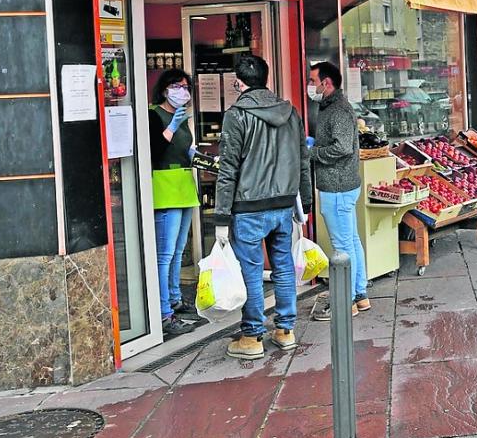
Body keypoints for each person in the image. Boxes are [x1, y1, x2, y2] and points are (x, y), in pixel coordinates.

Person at [214, 54, 312, 360]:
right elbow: (303, 160)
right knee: (283, 267)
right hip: (284, 205)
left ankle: (252, 336)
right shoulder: (291, 112)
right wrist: (305, 202)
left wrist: (220, 216)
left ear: (238, 82)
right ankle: (285, 330)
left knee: (252, 273)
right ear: (266, 78)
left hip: (248, 207)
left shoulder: (236, 115)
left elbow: (228, 168)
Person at [148, 68, 206, 338]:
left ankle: (174, 299)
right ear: (164, 89)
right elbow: (153, 151)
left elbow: (184, 149)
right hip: (164, 189)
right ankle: (163, 313)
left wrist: (197, 155)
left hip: (184, 187)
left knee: (179, 250)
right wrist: (169, 129)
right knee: (165, 254)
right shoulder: (153, 115)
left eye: (185, 87)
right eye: (176, 86)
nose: (182, 91)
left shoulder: (182, 118)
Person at [307, 61, 367, 320]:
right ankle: (360, 295)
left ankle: (346, 301)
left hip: (338, 186)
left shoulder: (338, 110)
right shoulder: (331, 107)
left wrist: (314, 152)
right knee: (351, 240)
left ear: (326, 83)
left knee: (342, 246)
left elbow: (342, 147)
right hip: (342, 184)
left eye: (312, 81)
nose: (310, 86)